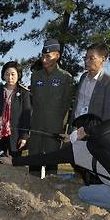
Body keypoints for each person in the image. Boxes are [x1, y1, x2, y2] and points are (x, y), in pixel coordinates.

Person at [0, 123, 110, 220]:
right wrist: (71, 139)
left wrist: (14, 161)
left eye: (76, 129)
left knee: (84, 193)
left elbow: (45, 158)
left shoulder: (77, 150)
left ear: (82, 130)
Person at [28, 38, 73, 176]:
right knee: (34, 158)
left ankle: (50, 190)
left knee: (52, 161)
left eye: (48, 56)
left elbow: (66, 104)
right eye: (43, 56)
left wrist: (61, 126)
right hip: (36, 126)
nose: (44, 59)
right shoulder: (36, 76)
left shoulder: (65, 77)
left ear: (57, 56)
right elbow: (33, 100)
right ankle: (31, 188)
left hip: (54, 127)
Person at [0, 61, 31, 166]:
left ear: (18, 75)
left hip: (15, 135)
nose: (10, 77)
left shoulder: (24, 93)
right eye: (7, 74)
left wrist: (24, 136)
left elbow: (26, 115)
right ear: (3, 75)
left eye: (13, 74)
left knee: (15, 164)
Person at [70, 43, 110, 125]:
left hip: (92, 131)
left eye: (91, 58)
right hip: (76, 126)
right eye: (85, 57)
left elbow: (108, 114)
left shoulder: (109, 82)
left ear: (102, 59)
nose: (86, 61)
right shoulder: (83, 77)